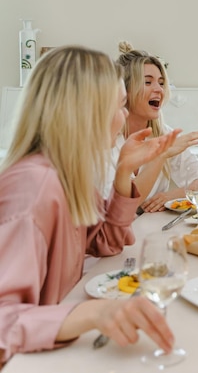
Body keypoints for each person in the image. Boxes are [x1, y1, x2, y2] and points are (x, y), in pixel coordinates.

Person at [0, 46, 179, 364]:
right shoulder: (33, 187)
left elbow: (107, 242)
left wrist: (124, 171)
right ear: (88, 111)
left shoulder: (66, 174)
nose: (125, 116)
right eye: (121, 105)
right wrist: (91, 313)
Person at [112, 42, 198, 212]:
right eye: (148, 82)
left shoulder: (164, 134)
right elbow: (122, 207)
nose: (159, 90)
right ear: (124, 89)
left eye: (161, 83)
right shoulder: (105, 140)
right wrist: (162, 155)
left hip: (153, 229)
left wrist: (171, 196)